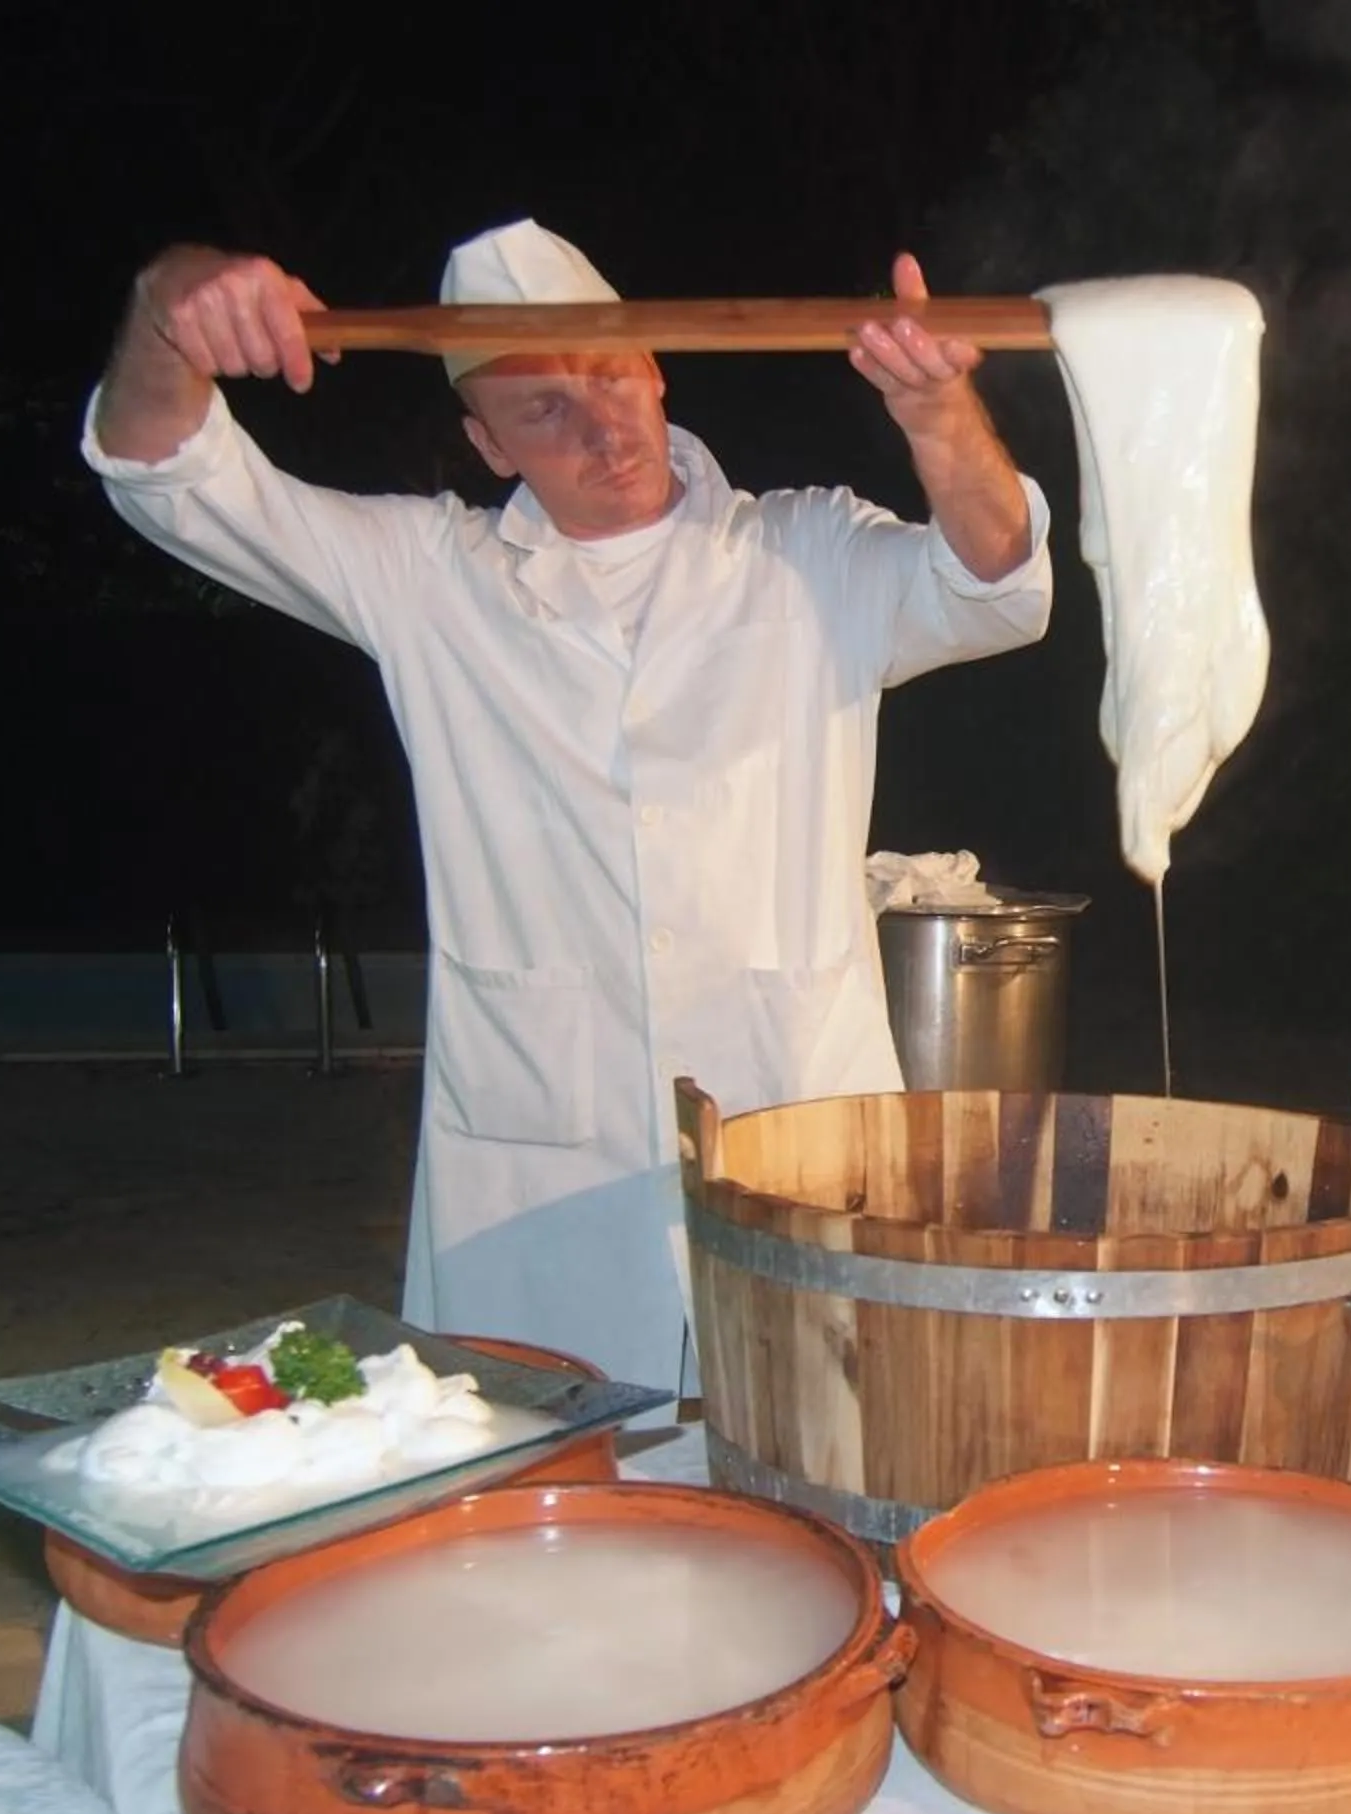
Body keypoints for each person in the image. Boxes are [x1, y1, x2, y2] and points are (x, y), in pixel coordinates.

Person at [84, 219, 1055, 1390]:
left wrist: (941, 417)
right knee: (540, 1508)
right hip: (539, 1184)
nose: (600, 423)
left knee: (821, 1488)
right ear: (485, 440)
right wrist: (167, 301)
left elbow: (998, 583)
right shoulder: (430, 582)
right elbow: (162, 472)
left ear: (655, 365)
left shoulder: (809, 552)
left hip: (794, 1129)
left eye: (608, 373)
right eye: (542, 408)